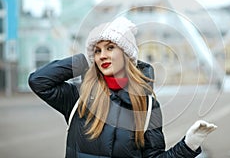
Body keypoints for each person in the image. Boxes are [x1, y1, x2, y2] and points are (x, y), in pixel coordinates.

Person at [28, 16, 217, 158]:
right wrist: (83, 60)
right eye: (97, 50)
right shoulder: (79, 96)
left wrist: (188, 146)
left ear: (126, 54)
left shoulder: (148, 105)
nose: (102, 55)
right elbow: (39, 81)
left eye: (110, 48)